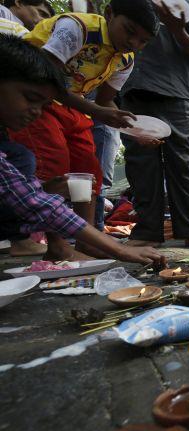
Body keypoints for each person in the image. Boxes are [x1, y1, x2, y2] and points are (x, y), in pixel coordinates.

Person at [8, 0, 159, 261]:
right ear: (109, 13)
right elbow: (44, 78)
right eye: (130, 31)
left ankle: (85, 242)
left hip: (75, 106)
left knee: (88, 173)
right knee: (53, 163)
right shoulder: (76, 28)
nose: (134, 43)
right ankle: (55, 243)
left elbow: (104, 101)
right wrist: (98, 112)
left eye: (143, 41)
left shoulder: (125, 60)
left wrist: (137, 132)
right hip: (36, 98)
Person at [120, 0, 189, 249]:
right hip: (133, 91)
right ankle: (148, 231)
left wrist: (177, 29)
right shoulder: (135, 6)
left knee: (181, 165)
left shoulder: (186, 10)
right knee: (140, 165)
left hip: (176, 95)